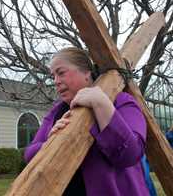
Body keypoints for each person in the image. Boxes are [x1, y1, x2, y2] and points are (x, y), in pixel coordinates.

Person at [24, 47, 149, 196]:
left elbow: (130, 154)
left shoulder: (121, 101)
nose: (56, 81)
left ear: (86, 73)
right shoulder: (56, 112)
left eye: (61, 73)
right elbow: (29, 154)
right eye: (53, 76)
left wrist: (101, 104)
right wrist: (51, 142)